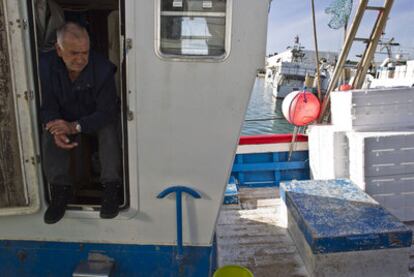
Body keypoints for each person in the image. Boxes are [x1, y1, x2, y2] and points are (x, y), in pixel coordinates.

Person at [39, 22, 121, 224]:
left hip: (94, 121)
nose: (81, 59)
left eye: (85, 52)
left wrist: (74, 126)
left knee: (108, 130)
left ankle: (111, 188)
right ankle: (61, 190)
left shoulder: (102, 69)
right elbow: (47, 104)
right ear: (59, 50)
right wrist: (54, 124)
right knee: (50, 132)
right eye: (74, 53)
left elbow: (107, 111)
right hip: (65, 119)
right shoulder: (45, 65)